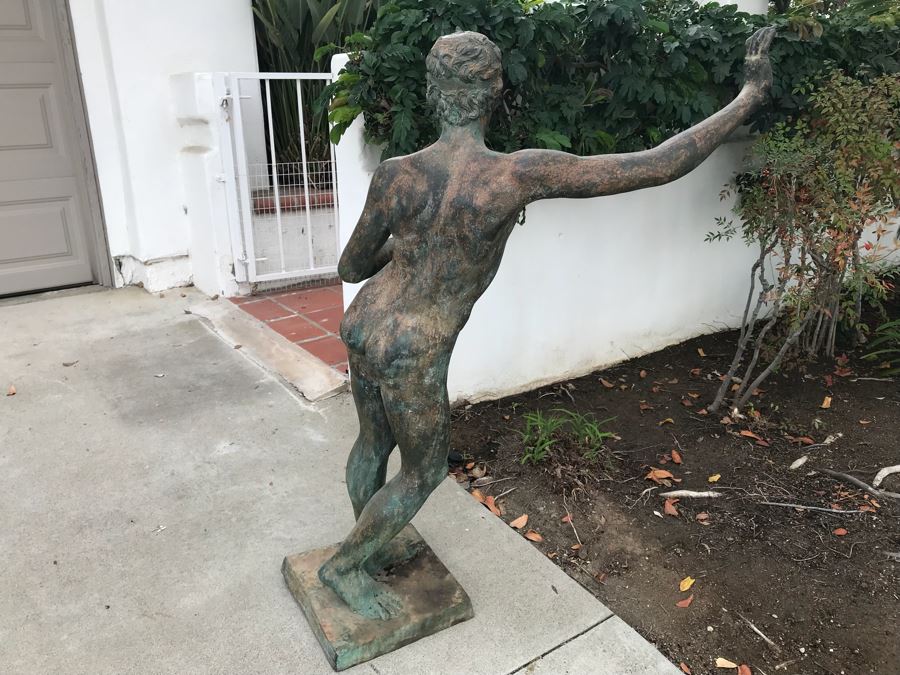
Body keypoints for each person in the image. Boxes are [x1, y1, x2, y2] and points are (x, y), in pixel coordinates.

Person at [318, 27, 775, 620]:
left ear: (434, 92)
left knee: (372, 442)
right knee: (425, 469)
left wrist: (411, 248)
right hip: (415, 344)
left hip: (367, 321)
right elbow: (657, 165)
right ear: (493, 91)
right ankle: (347, 566)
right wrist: (747, 97)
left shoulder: (397, 173)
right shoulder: (514, 176)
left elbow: (352, 265)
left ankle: (367, 542)